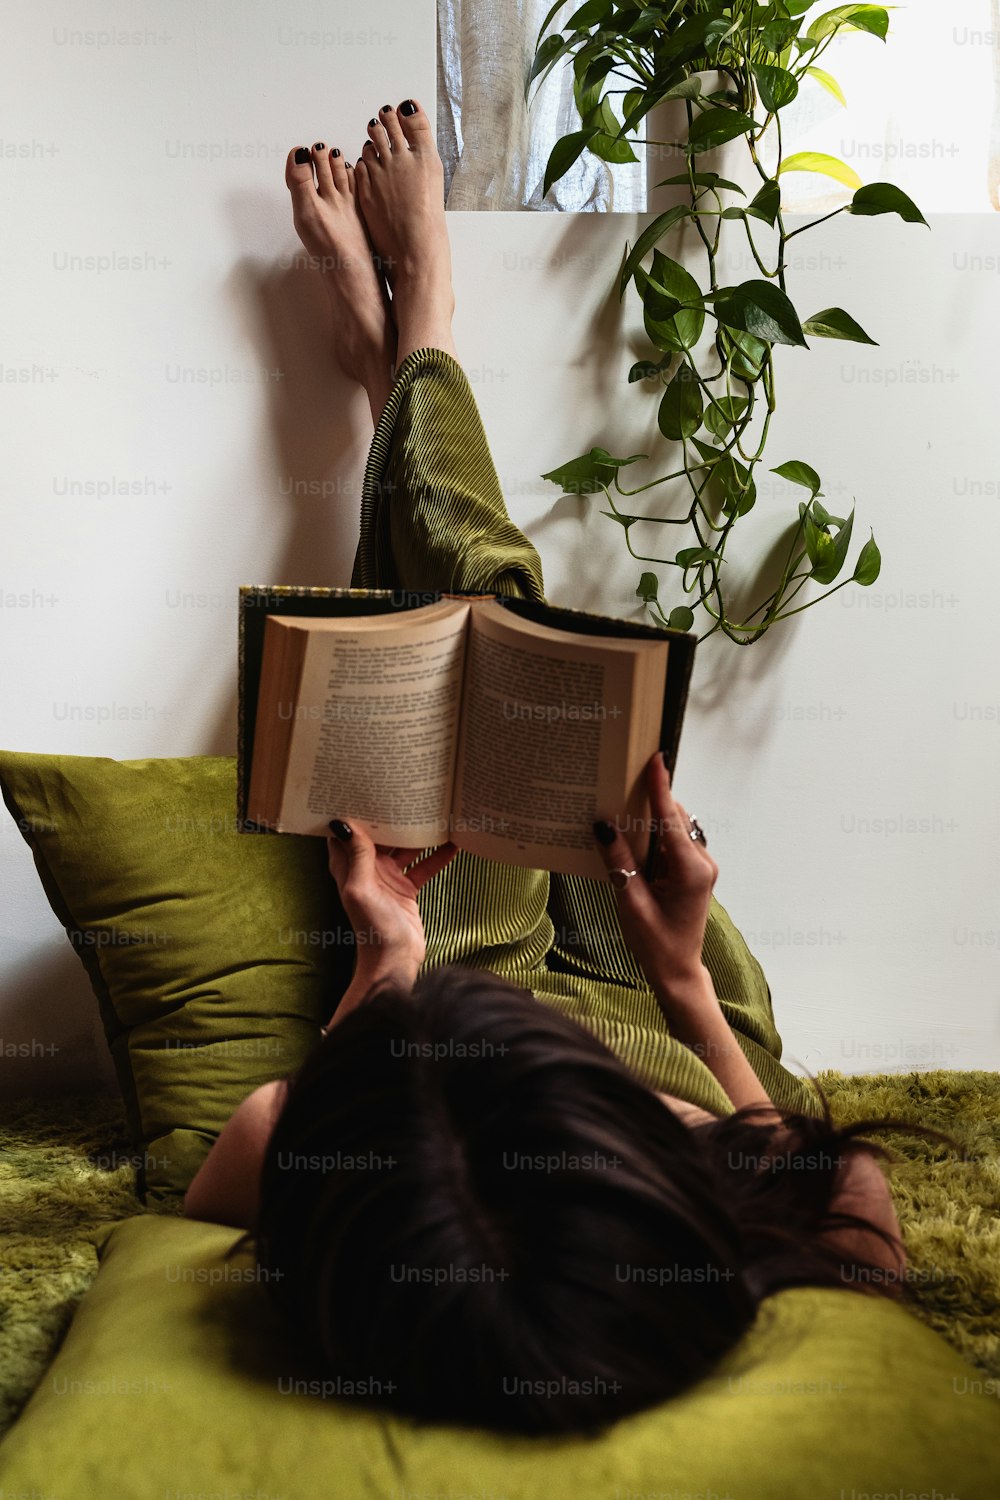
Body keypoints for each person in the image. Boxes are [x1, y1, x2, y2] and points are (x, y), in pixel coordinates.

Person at [184, 100, 911, 1436]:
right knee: (524, 639)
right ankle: (414, 349)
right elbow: (855, 1236)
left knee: (460, 657)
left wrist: (391, 969)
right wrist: (684, 976)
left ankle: (404, 361)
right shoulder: (758, 1229)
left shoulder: (318, 1162)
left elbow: (278, 1151)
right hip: (697, 1033)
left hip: (455, 1006)